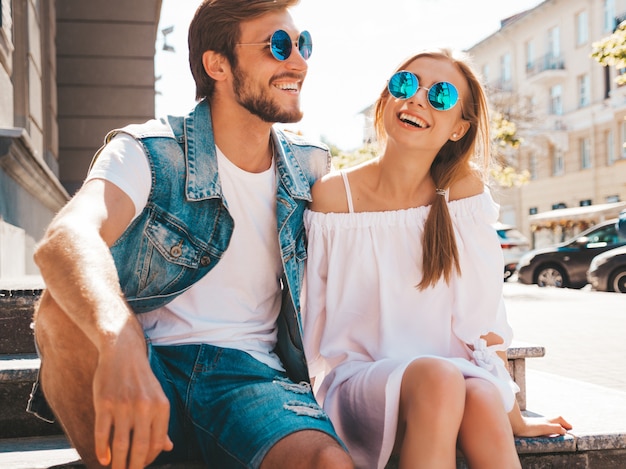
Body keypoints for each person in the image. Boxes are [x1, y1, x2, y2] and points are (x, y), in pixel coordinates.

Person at [29, 1, 354, 468]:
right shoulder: (150, 152)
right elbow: (66, 238)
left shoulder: (311, 167)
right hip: (146, 366)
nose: (299, 62)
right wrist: (119, 342)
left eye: (302, 45)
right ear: (217, 63)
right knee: (60, 308)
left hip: (252, 380)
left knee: (327, 463)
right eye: (278, 46)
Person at [302, 48, 572, 469]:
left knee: (482, 394)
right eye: (405, 84)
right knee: (443, 378)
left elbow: (484, 321)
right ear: (386, 98)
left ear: (459, 128)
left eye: (441, 95)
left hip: (448, 378)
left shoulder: (461, 195)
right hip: (361, 381)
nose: (417, 99)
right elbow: (311, 314)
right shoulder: (334, 197)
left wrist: (514, 416)